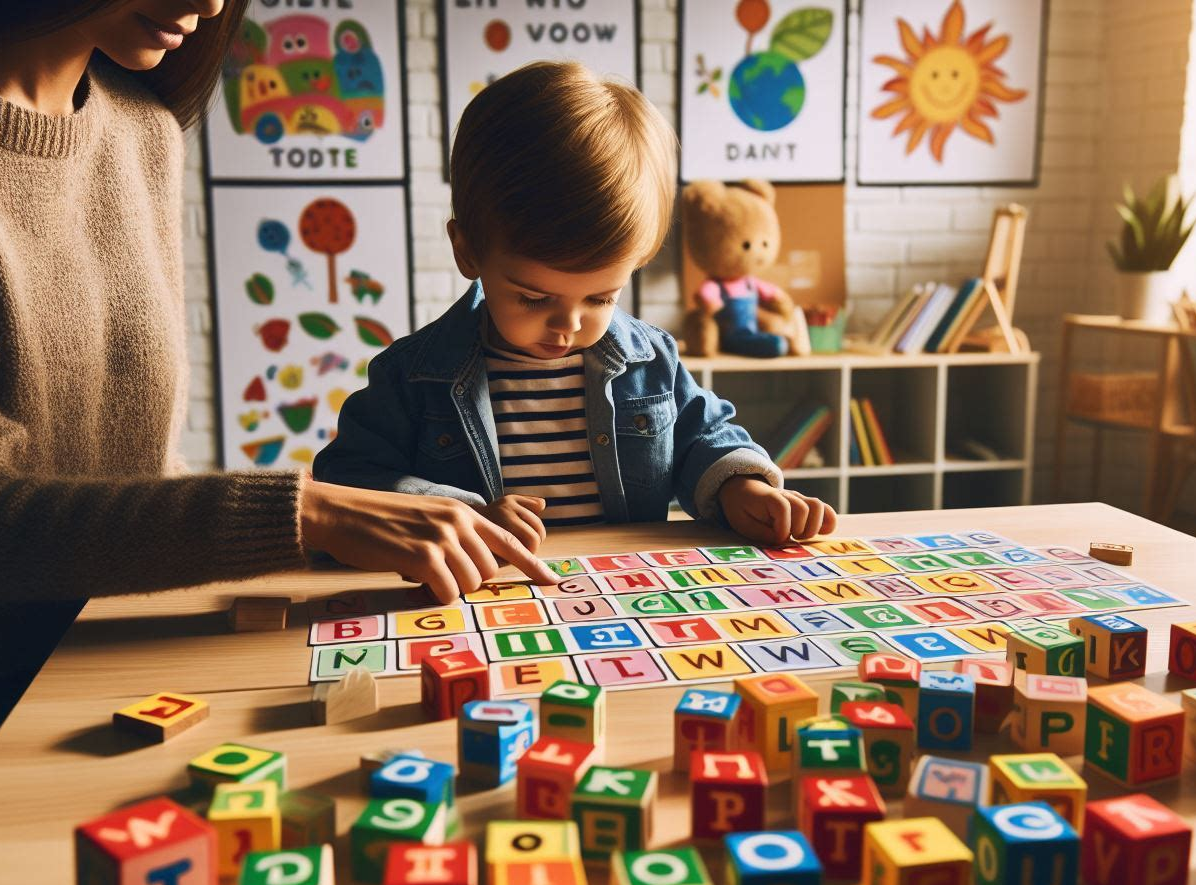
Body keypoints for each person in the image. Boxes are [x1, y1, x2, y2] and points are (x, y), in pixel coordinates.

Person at [0, 0, 554, 866]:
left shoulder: (141, 127)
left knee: (386, 778)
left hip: (101, 645)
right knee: (238, 849)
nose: (207, 4)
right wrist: (306, 515)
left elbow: (135, 470)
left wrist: (354, 531)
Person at [313, 61, 837, 549]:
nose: (568, 324)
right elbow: (350, 482)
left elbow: (703, 435)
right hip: (482, 602)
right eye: (533, 297)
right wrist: (461, 513)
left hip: (624, 599)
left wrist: (740, 487)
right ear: (468, 250)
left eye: (601, 297)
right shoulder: (413, 376)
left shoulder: (650, 360)